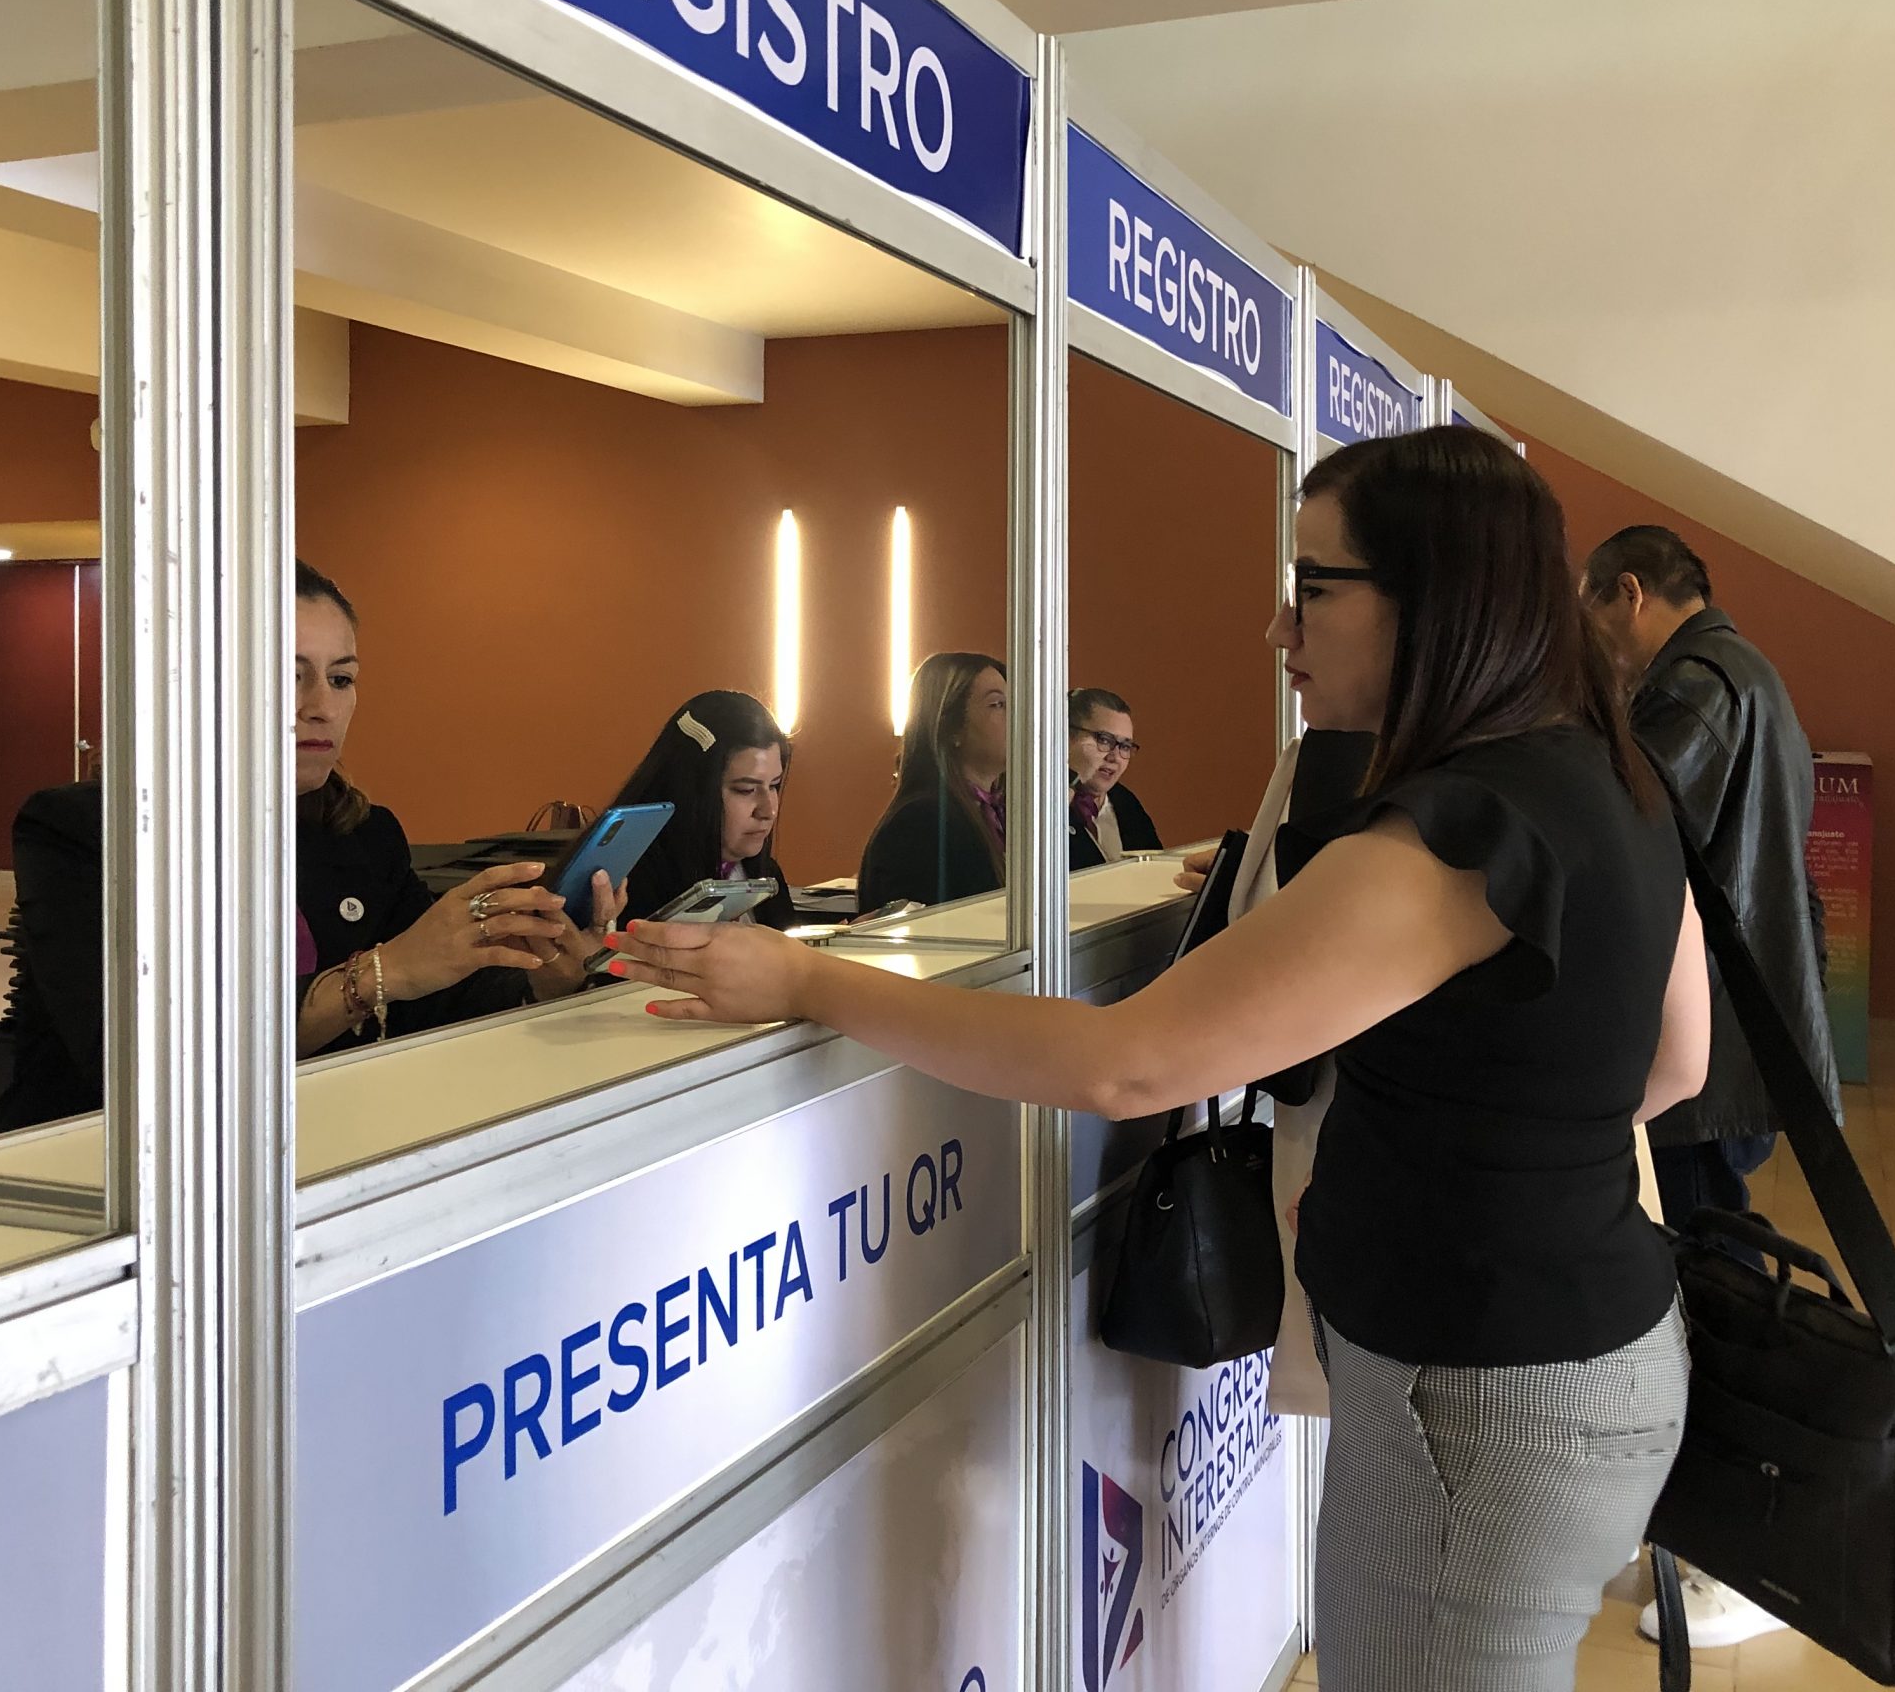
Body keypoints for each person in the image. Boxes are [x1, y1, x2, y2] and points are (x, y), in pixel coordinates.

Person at [612, 428, 1712, 1692]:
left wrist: (811, 982)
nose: (1279, 629)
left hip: (1477, 1400)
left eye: (1314, 587)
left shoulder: (1460, 831)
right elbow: (1672, 1061)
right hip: (1594, 1351)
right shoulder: (1607, 775)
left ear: (1434, 598)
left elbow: (1126, 1067)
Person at [0, 560, 622, 1129]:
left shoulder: (365, 833)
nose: (321, 706)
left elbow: (427, 1006)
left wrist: (542, 974)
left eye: (341, 678)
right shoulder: (84, 829)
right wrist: (381, 972)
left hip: (326, 1138)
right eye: (286, 677)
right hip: (116, 1163)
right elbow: (140, 1063)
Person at [1583, 523, 1842, 1651]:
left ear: (1629, 593)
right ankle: (1704, 1533)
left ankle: (1732, 1553)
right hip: (1741, 1036)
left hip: (1714, 1046)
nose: (1593, 640)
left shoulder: (1695, 686)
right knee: (1706, 1274)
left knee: (1708, 1294)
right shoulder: (1747, 673)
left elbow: (1622, 827)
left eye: (1592, 614)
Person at [607, 690, 797, 929]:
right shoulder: (630, 884)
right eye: (746, 790)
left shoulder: (765, 874)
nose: (768, 811)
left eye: (774, 786)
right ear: (691, 789)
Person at [856, 651, 1008, 910]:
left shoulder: (998, 812)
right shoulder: (923, 821)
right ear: (950, 727)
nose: (1017, 717)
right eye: (998, 704)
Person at [1067, 687, 1164, 867]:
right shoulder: (1039, 807)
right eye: (1104, 740)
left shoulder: (1126, 802)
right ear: (1066, 737)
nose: (1115, 757)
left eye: (1125, 746)